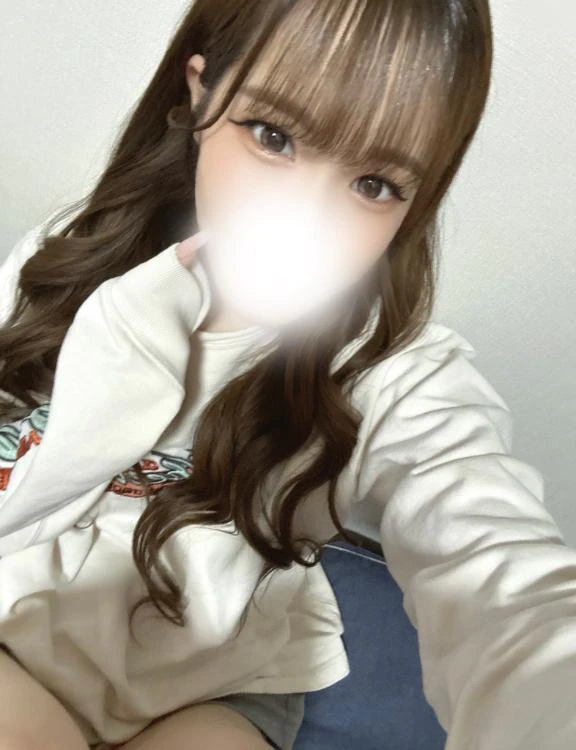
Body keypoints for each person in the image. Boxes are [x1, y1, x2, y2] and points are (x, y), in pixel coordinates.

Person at [1, 1, 575, 749]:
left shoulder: (388, 372)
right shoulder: (68, 258)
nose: (306, 216)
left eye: (374, 184)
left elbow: (495, 566)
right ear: (202, 94)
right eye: (273, 136)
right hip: (21, 606)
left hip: (220, 668)